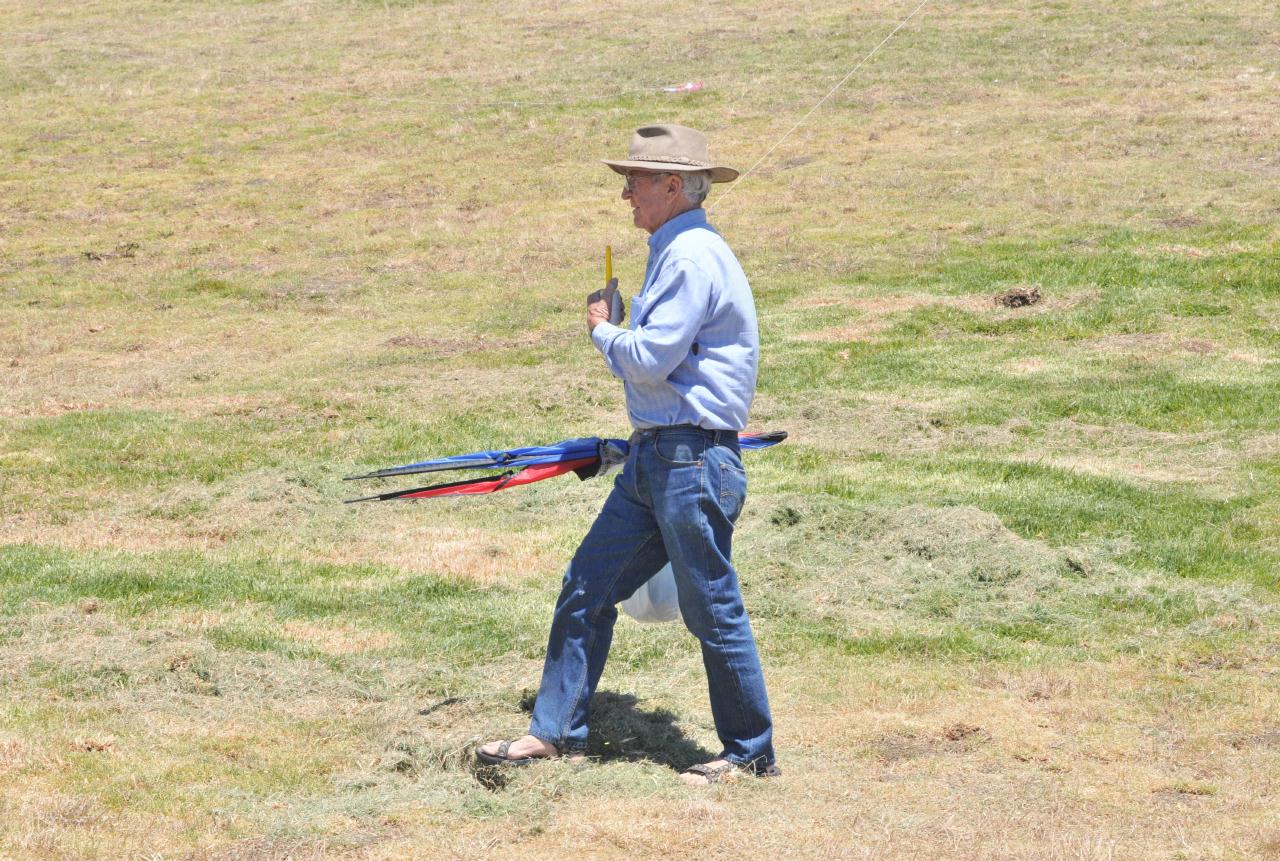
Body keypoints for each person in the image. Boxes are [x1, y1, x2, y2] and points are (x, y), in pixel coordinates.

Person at [477, 124, 778, 786]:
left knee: (711, 606)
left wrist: (602, 327)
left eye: (635, 181)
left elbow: (651, 360)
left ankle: (750, 753)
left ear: (673, 185)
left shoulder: (692, 257)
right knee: (587, 584)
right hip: (661, 460)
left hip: (689, 461)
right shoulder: (678, 251)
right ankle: (555, 733)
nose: (624, 194)